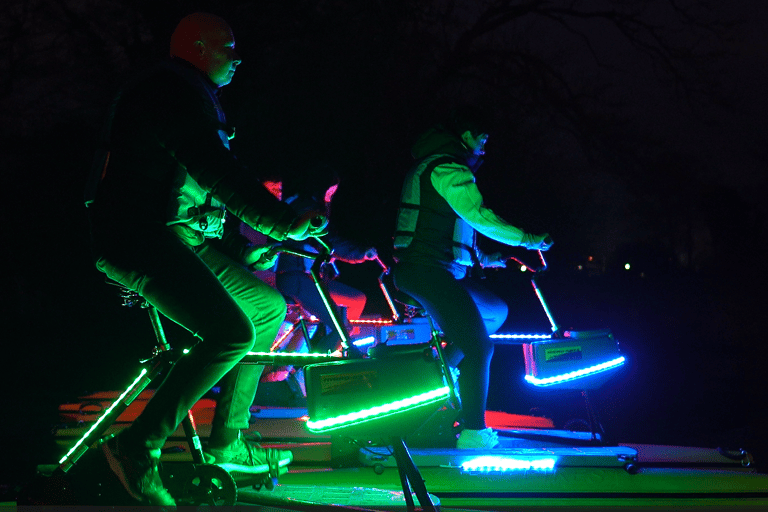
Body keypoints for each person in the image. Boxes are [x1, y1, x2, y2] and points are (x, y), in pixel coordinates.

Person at [85, 12, 326, 505]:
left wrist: (246, 243)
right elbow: (216, 169)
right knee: (231, 331)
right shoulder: (171, 93)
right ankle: (137, 445)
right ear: (197, 46)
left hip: (171, 236)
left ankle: (227, 440)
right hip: (136, 237)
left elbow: (197, 194)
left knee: (266, 309)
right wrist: (281, 221)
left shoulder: (187, 94)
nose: (238, 58)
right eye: (228, 47)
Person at [391, 111, 552, 450]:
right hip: (425, 271)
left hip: (437, 270)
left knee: (494, 309)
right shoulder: (448, 169)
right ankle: (474, 433)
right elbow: (478, 216)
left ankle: (443, 369)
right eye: (482, 141)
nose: (484, 149)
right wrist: (527, 239)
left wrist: (493, 259)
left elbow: (451, 232)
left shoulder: (439, 167)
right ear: (465, 136)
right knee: (481, 347)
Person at [273, 165, 378, 354]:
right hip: (295, 277)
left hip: (310, 278)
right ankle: (316, 365)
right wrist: (361, 252)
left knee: (356, 299)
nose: (333, 193)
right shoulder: (306, 208)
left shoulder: (304, 204)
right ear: (320, 186)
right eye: (331, 188)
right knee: (341, 327)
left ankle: (329, 343)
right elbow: (329, 239)